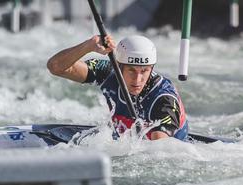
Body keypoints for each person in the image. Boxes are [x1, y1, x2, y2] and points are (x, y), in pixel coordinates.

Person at [47, 34, 188, 141]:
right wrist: (88, 46)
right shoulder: (108, 72)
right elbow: (55, 67)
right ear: (119, 67)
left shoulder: (164, 100)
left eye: (144, 71)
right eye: (131, 70)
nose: (138, 80)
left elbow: (158, 153)